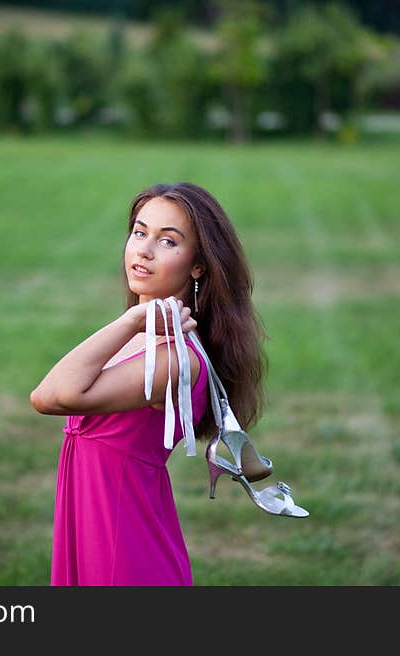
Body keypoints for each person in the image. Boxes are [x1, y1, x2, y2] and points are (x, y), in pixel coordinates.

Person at [29, 182, 267, 586]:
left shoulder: (173, 359)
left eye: (168, 241)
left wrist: (129, 320)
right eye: (140, 232)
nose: (143, 250)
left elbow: (52, 396)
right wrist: (134, 323)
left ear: (198, 265)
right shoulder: (144, 337)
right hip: (92, 518)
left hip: (123, 539)